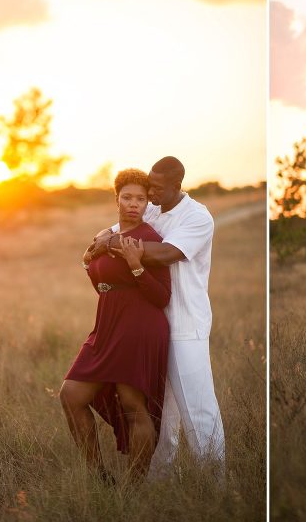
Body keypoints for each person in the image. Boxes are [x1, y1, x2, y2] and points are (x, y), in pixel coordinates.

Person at [89, 156, 225, 474]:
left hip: (185, 326)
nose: (150, 194)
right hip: (151, 326)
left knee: (199, 411)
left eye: (158, 189)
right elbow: (111, 231)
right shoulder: (151, 207)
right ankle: (159, 481)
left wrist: (112, 243)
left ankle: (216, 484)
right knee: (160, 414)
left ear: (177, 187)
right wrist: (102, 239)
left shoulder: (197, 217)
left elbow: (165, 253)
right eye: (149, 185)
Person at [59, 168, 171, 483]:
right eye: (127, 197)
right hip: (107, 325)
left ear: (148, 202)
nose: (134, 204)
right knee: (71, 396)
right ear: (117, 199)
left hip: (139, 326)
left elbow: (161, 297)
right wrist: (87, 259)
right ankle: (100, 478)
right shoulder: (105, 235)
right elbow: (101, 280)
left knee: (134, 405)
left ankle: (133, 488)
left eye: (141, 198)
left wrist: (136, 266)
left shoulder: (150, 239)